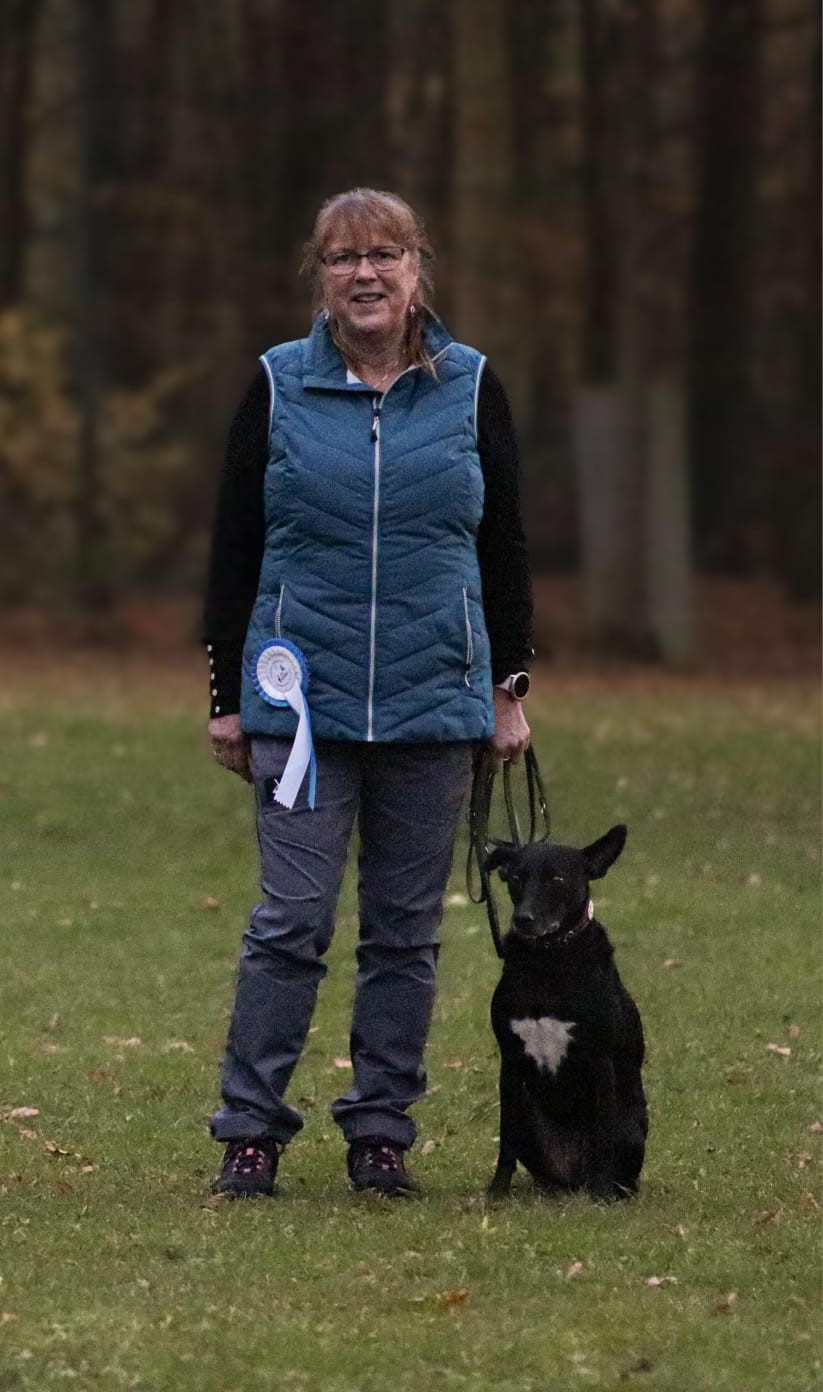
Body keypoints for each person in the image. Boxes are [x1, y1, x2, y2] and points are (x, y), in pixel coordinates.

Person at [203, 188, 533, 1199]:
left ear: (416, 268)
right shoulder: (276, 384)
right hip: (302, 705)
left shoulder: (470, 386)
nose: (365, 274)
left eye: (384, 254)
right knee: (290, 924)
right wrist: (225, 692)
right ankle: (250, 1132)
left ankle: (381, 1133)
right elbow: (235, 545)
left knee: (403, 934)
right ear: (320, 276)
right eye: (344, 257)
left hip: (435, 702)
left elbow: (502, 546)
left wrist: (508, 688)